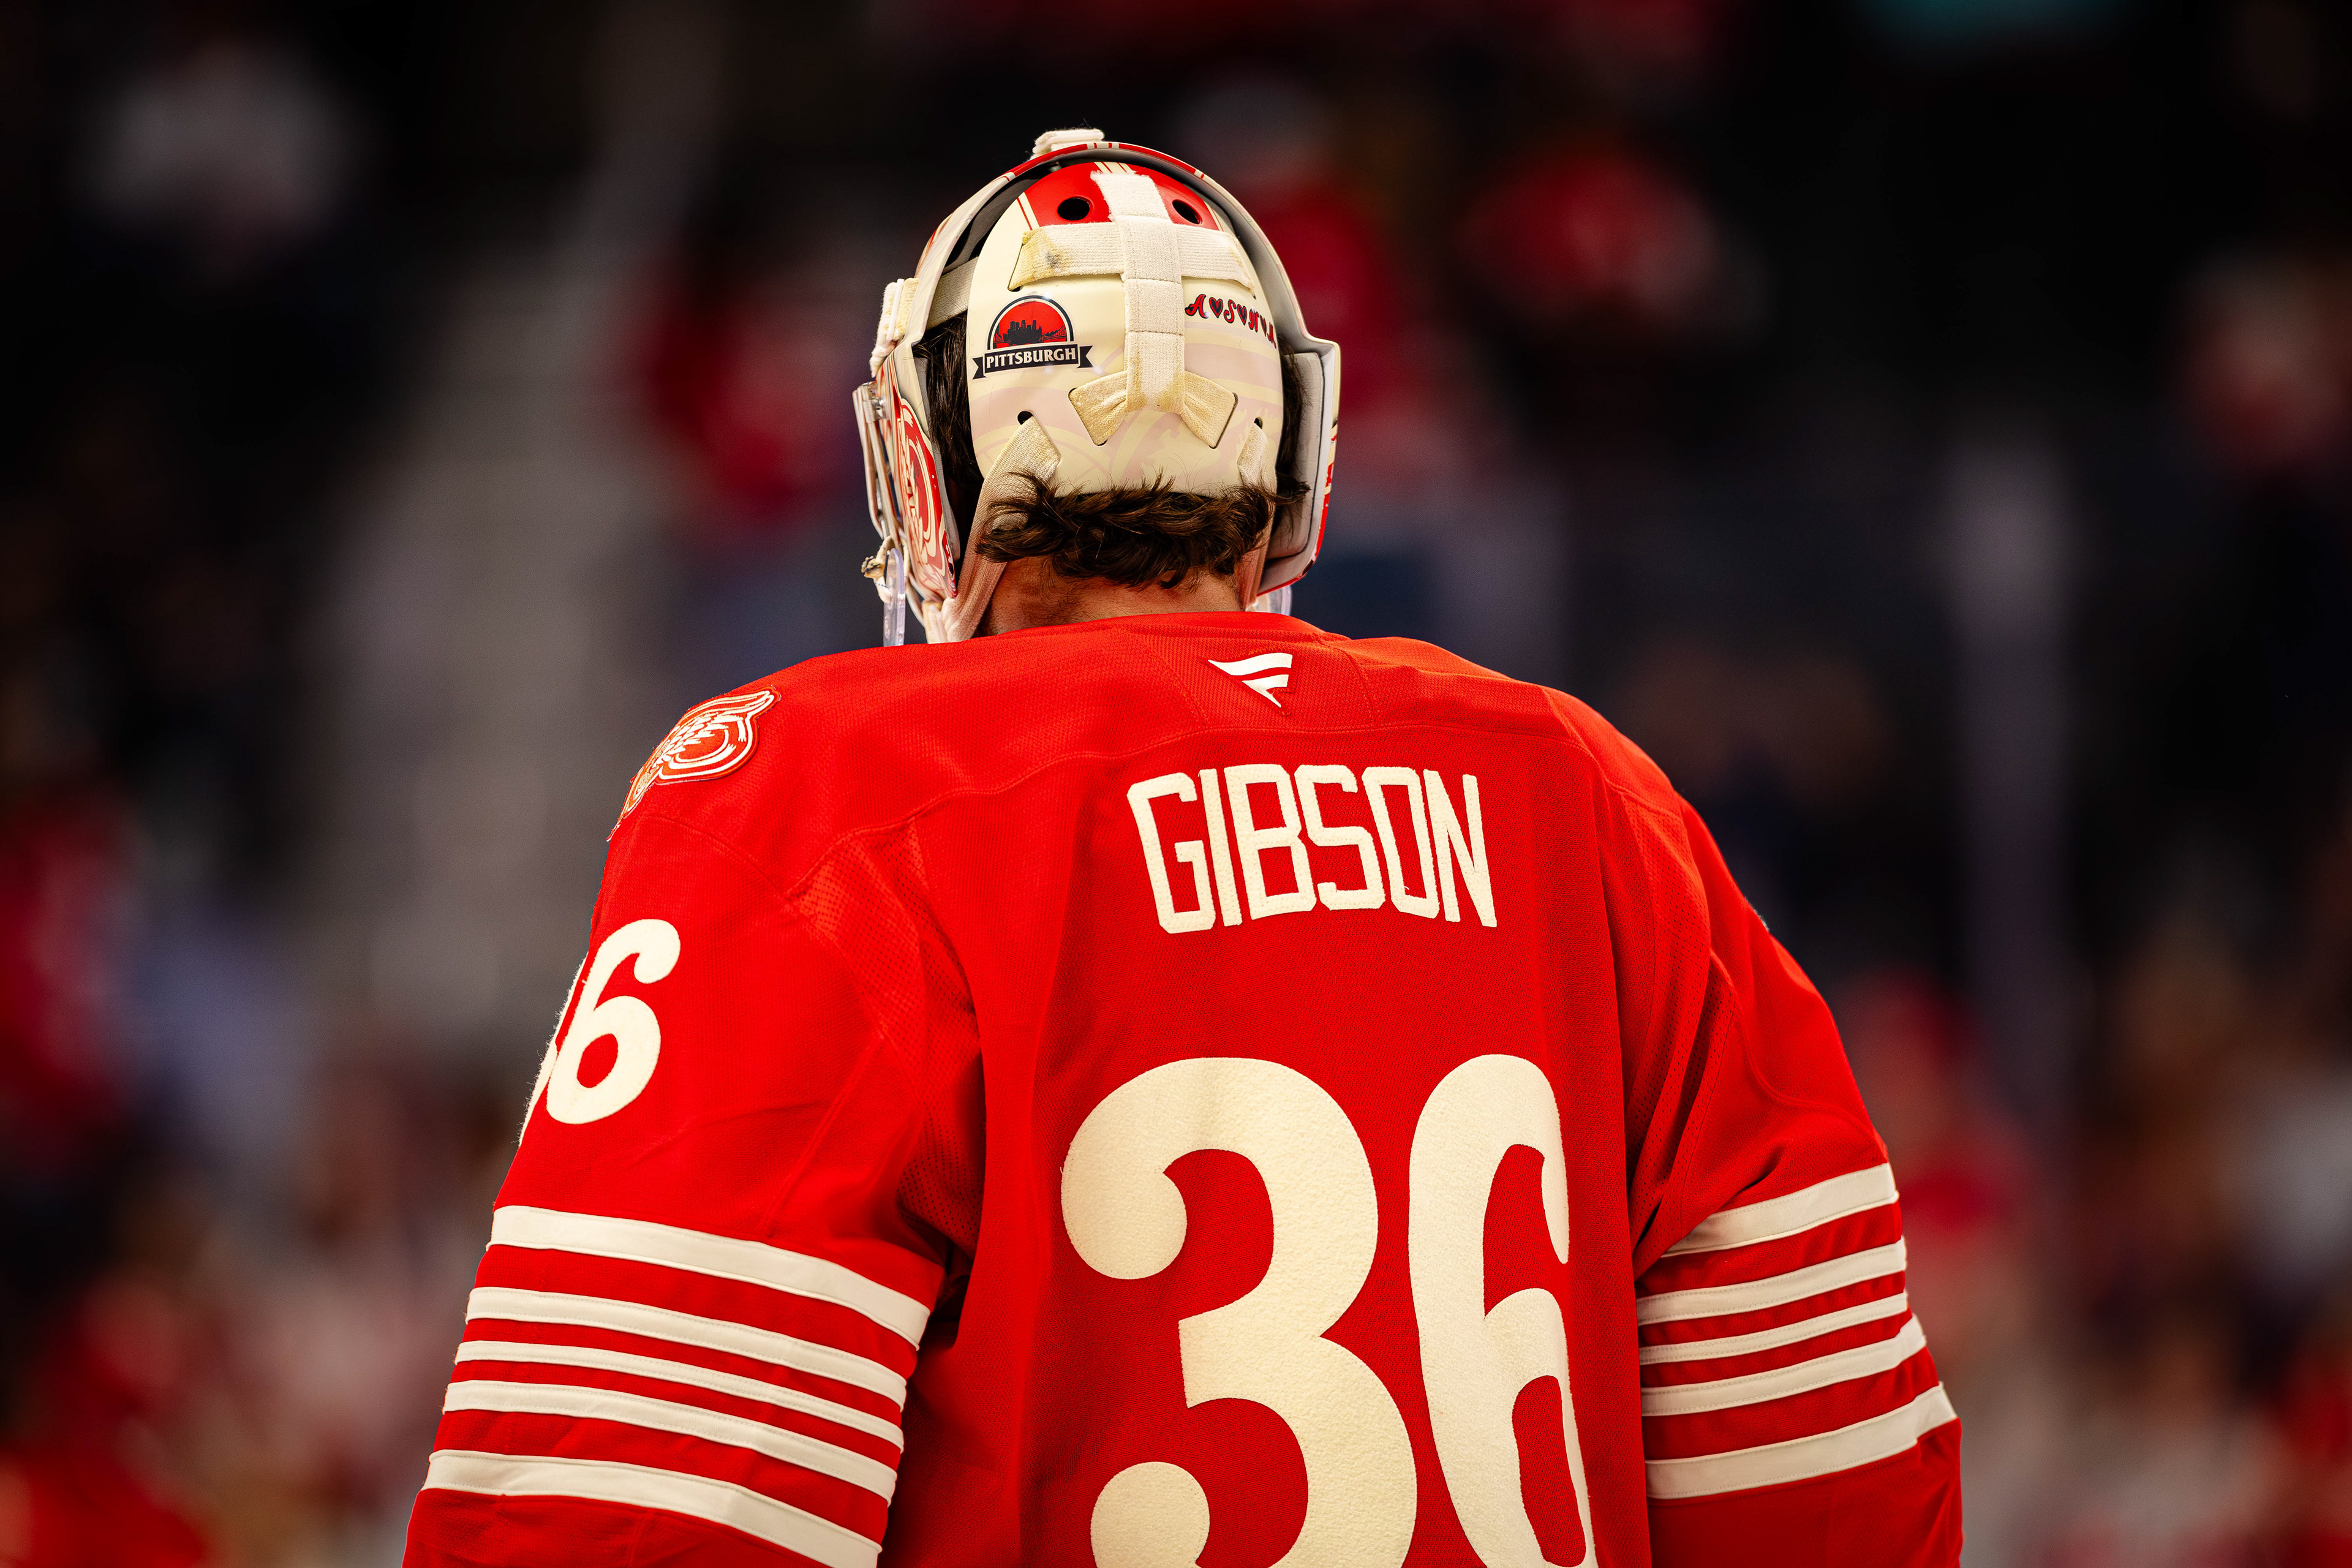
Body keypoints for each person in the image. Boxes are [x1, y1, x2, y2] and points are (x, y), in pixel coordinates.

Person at [401, 130, 1962, 1567]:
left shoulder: (818, 795)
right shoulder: (1591, 793)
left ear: (931, 461)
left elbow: (621, 1516)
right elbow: (1834, 1489)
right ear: (1286, 454)